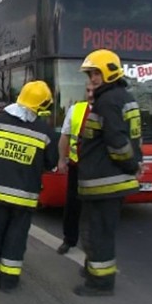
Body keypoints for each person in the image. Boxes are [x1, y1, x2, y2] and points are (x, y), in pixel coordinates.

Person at [74, 49, 143, 297]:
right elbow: (133, 139)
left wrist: (131, 164)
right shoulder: (123, 97)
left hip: (105, 181)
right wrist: (135, 164)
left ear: (109, 72)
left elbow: (118, 143)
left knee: (97, 233)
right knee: (97, 230)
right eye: (90, 74)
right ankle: (94, 270)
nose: (91, 78)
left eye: (95, 73)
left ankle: (100, 283)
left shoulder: (107, 101)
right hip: (110, 180)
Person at [0, 80, 58, 293]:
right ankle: (9, 282)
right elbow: (51, 164)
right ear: (41, 106)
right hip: (24, 198)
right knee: (16, 238)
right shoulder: (46, 133)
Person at [56, 81, 95, 255]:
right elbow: (65, 136)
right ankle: (69, 240)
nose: (90, 94)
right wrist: (61, 160)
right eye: (87, 90)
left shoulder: (110, 110)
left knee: (93, 212)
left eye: (93, 90)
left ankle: (93, 250)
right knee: (72, 207)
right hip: (76, 167)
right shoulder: (76, 110)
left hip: (98, 171)